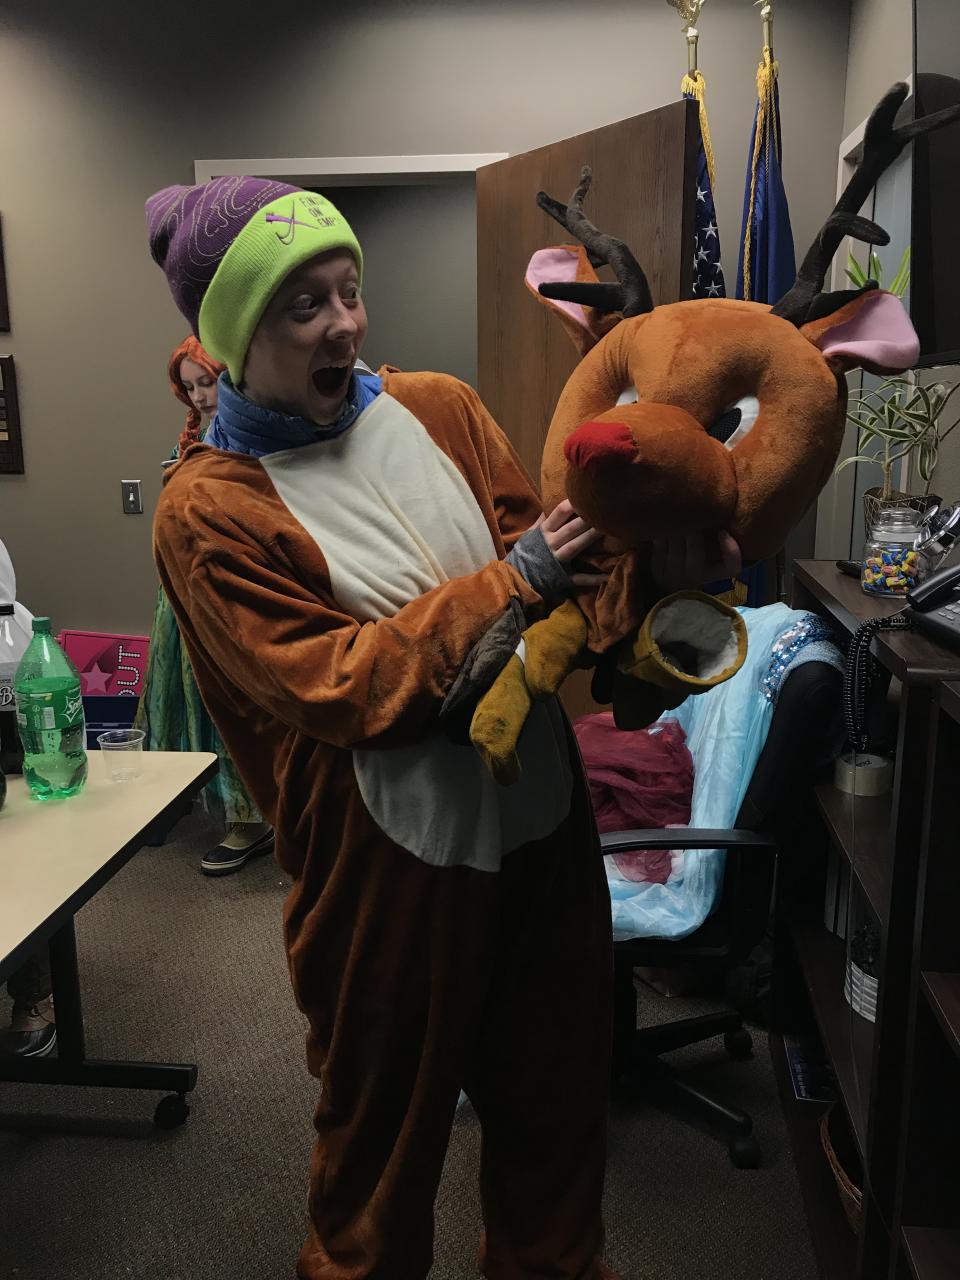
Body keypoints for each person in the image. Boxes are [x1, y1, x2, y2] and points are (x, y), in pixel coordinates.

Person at [145, 176, 622, 1280]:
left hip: (542, 825)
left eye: (349, 291)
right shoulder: (208, 510)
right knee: (380, 1151)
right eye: (302, 305)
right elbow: (339, 685)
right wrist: (514, 584)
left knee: (558, 1111)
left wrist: (645, 578)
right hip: (384, 873)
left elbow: (558, 566)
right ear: (232, 339)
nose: (344, 324)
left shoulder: (442, 407)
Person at [135, 337, 274, 875]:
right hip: (180, 589)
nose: (199, 396)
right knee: (181, 692)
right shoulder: (196, 438)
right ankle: (183, 795)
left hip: (230, 589)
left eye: (208, 382)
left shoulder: (256, 437)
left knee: (233, 701)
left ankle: (251, 818)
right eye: (189, 386)